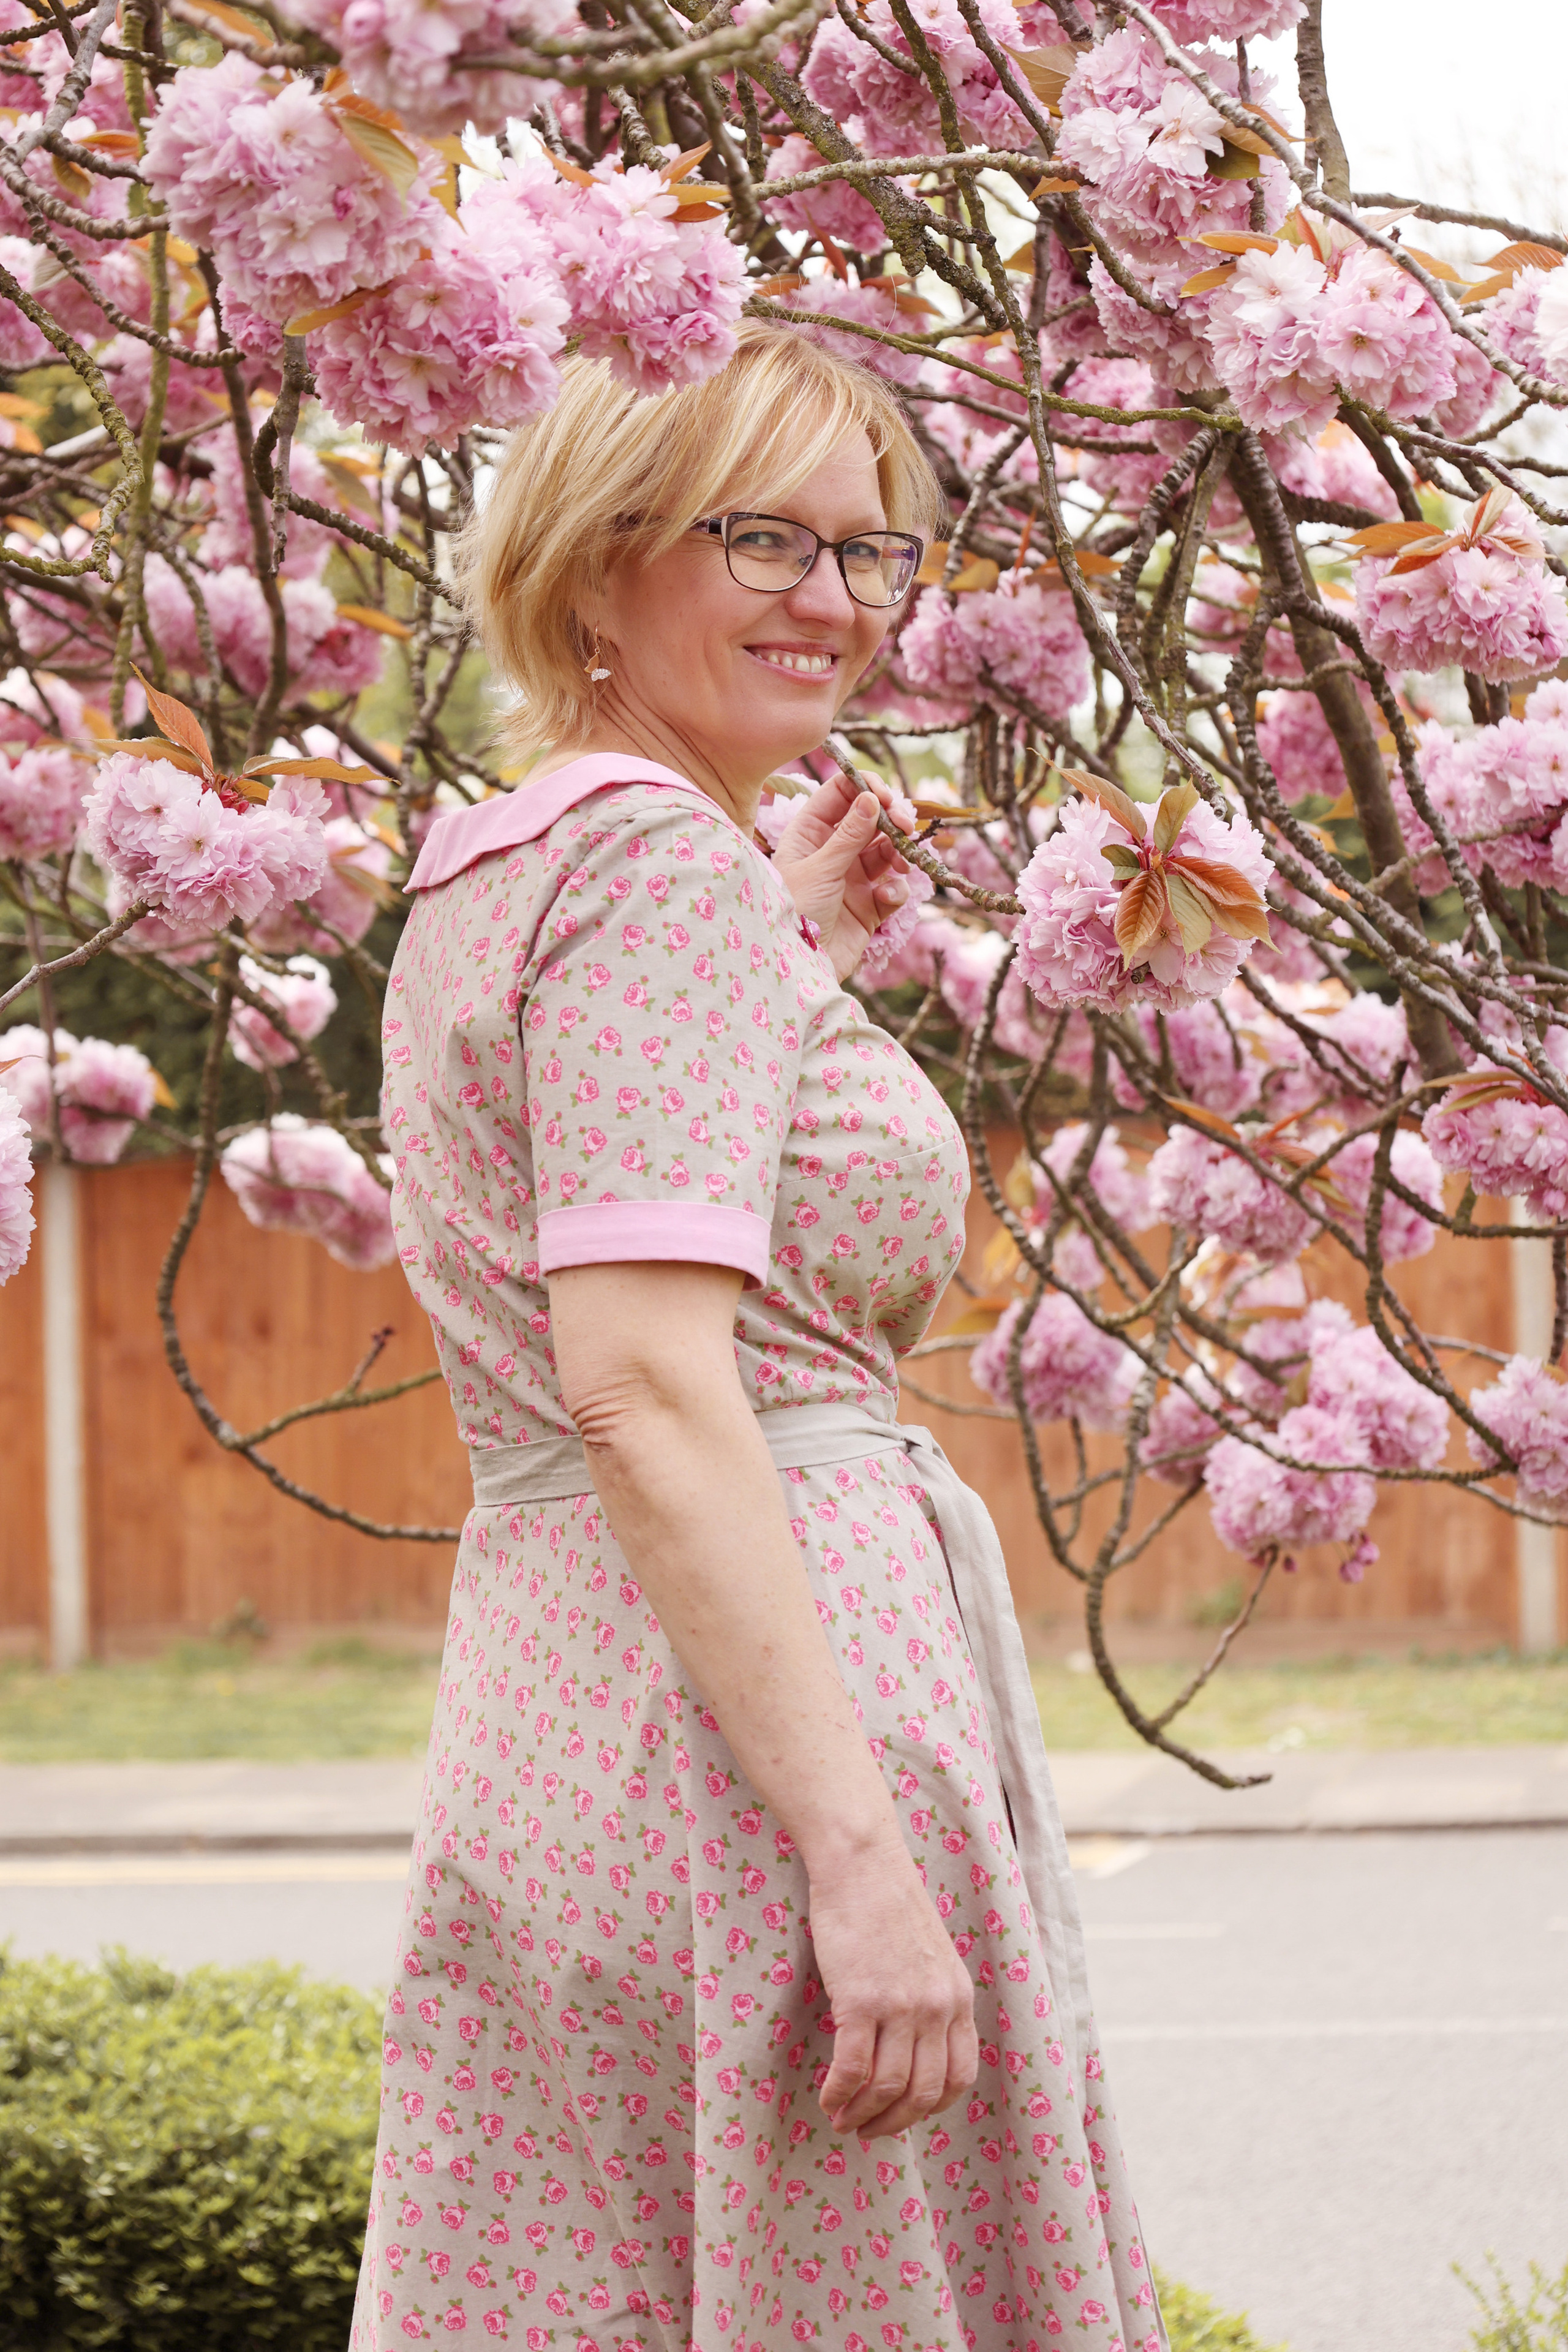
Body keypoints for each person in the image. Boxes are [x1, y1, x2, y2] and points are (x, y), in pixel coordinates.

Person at [355, 322, 1164, 2352]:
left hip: (570, 1708)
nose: (838, 599)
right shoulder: (654, 873)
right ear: (597, 557)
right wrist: (858, 1854)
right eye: (766, 539)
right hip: (759, 1762)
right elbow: (642, 1385)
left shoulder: (511, 861)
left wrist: (774, 935)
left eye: (869, 550)